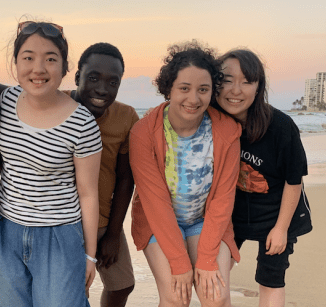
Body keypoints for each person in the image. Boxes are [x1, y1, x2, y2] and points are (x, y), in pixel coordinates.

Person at [0, 2, 102, 306]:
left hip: (60, 237)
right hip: (7, 230)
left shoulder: (81, 122)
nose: (38, 68)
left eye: (50, 59)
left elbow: (88, 193)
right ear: (16, 63)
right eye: (28, 58)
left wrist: (89, 254)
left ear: (64, 66)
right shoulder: (8, 100)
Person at [129, 41, 241, 307]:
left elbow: (223, 200)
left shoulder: (227, 132)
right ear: (168, 88)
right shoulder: (143, 133)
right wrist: (180, 263)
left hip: (205, 220)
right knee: (175, 297)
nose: (193, 99)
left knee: (216, 297)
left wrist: (205, 260)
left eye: (203, 90)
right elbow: (155, 203)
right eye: (184, 88)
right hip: (159, 222)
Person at [212, 49, 312, 307]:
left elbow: (294, 181)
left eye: (247, 81)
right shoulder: (208, 122)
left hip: (276, 214)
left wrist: (280, 229)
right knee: (214, 277)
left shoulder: (279, 126)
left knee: (270, 280)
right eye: (227, 80)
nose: (236, 90)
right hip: (231, 215)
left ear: (258, 87)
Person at [66, 43, 138, 307]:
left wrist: (113, 233)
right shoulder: (56, 105)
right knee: (74, 290)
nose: (101, 89)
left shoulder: (126, 116)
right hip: (64, 221)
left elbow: (124, 179)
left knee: (122, 285)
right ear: (77, 78)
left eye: (112, 82)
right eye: (93, 78)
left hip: (104, 221)